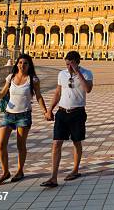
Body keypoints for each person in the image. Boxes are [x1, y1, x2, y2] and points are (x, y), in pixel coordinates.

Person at [0, 54, 47, 184]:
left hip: (24, 115)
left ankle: (20, 171)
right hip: (8, 114)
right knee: (1, 144)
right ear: (17, 64)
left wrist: (45, 111)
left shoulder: (33, 79)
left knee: (20, 145)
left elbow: (38, 97)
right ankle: (5, 172)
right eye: (20, 62)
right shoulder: (11, 77)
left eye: (25, 63)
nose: (22, 65)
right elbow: (2, 93)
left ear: (29, 65)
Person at [40, 51, 93, 188]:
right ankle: (53, 177)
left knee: (76, 141)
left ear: (77, 62)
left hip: (78, 113)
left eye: (71, 64)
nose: (68, 67)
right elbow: (58, 92)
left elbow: (88, 89)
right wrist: (50, 109)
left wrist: (77, 72)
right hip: (62, 112)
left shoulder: (87, 73)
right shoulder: (62, 74)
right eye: (67, 64)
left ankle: (75, 170)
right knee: (56, 142)